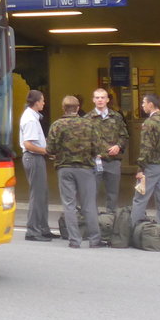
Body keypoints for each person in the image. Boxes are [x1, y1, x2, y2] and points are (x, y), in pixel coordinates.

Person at [47, 94, 110, 248]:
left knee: (69, 204)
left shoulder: (57, 125)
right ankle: (95, 239)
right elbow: (98, 148)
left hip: (64, 168)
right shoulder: (89, 124)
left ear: (63, 108)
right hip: (85, 169)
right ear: (78, 108)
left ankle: (74, 240)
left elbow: (50, 149)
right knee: (88, 204)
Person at [132, 93, 160, 224]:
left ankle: (135, 228)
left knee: (140, 199)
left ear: (150, 104)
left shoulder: (149, 123)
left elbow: (146, 147)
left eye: (143, 103)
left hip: (150, 166)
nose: (142, 106)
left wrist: (141, 168)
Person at [19, 89, 56, 241]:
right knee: (37, 194)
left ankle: (43, 227)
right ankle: (33, 230)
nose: (44, 103)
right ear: (36, 102)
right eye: (42, 100)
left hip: (36, 157)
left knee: (42, 193)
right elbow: (28, 144)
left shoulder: (33, 117)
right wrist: (46, 151)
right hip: (33, 157)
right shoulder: (30, 119)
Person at [87, 87, 129, 213]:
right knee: (91, 192)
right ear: (93, 100)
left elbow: (124, 136)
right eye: (97, 97)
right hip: (95, 161)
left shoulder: (116, 117)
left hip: (113, 161)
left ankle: (111, 220)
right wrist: (93, 153)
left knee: (113, 194)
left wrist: (118, 146)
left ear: (107, 100)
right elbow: (83, 141)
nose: (100, 100)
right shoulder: (87, 119)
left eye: (103, 97)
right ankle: (92, 221)